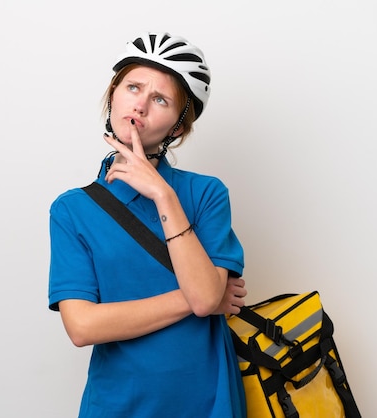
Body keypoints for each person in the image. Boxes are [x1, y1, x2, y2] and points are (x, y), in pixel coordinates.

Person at [48, 31, 248, 418]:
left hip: (208, 403)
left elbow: (208, 299)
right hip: (118, 405)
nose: (140, 104)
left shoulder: (206, 194)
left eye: (160, 99)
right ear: (113, 96)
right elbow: (83, 327)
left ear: (177, 126)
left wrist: (163, 195)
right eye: (132, 87)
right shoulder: (72, 210)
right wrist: (195, 300)